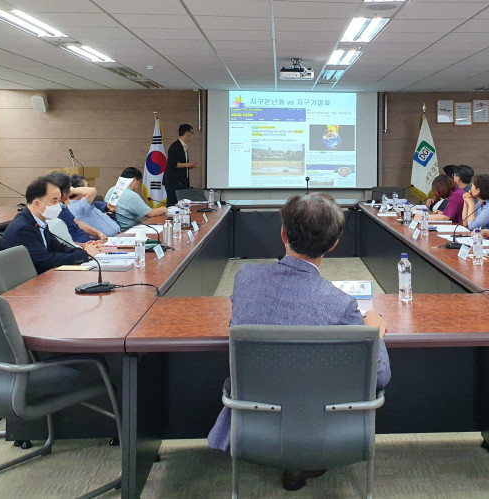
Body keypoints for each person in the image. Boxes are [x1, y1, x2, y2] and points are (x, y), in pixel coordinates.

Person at [207, 193, 390, 491]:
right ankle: (304, 459)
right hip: (320, 420)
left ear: (283, 234)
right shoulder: (341, 305)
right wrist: (375, 334)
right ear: (334, 244)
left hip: (254, 416)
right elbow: (380, 376)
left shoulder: (246, 276)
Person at [1, 176, 101, 275]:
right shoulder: (23, 228)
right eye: (54, 201)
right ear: (36, 204)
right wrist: (84, 255)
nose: (58, 206)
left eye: (59, 201)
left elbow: (58, 248)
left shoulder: (39, 221)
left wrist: (83, 251)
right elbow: (45, 260)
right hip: (29, 281)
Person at [45, 171, 107, 244]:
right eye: (69, 188)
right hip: (78, 248)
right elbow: (63, 243)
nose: (70, 191)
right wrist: (84, 246)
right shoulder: (51, 212)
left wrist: (98, 233)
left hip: (87, 244)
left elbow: (78, 223)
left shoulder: (62, 206)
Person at [163, 124, 198, 204]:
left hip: (182, 182)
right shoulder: (175, 146)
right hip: (174, 183)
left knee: (182, 205)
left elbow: (181, 164)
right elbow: (172, 164)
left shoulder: (183, 146)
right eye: (192, 133)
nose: (192, 136)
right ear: (187, 133)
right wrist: (187, 164)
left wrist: (189, 166)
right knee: (173, 205)